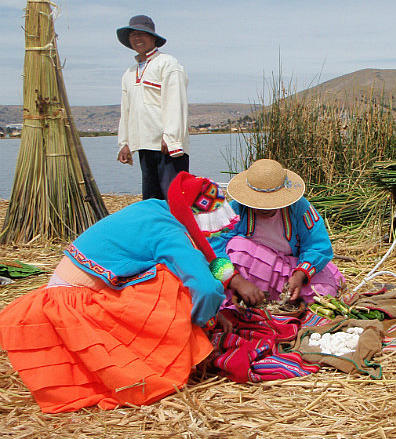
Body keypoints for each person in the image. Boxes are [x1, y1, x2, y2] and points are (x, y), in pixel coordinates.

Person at [0, 172, 258, 413]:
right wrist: (206, 321)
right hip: (75, 302)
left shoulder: (153, 208)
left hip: (62, 289)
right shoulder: (170, 232)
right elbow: (204, 287)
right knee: (171, 282)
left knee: (174, 272)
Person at [209, 159, 345, 306]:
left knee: (324, 290)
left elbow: (318, 246)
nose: (264, 208)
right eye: (257, 202)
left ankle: (279, 297)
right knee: (237, 248)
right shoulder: (235, 210)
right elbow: (213, 248)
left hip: (287, 271)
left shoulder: (300, 208)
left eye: (270, 202)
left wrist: (299, 275)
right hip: (247, 274)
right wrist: (237, 282)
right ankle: (250, 296)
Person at [116, 15, 189, 200]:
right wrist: (124, 143)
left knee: (174, 198)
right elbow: (126, 110)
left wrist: (171, 138)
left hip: (166, 146)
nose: (137, 38)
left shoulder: (167, 63)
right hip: (144, 143)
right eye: (133, 34)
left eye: (142, 34)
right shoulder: (129, 73)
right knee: (151, 199)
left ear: (153, 38)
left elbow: (175, 101)